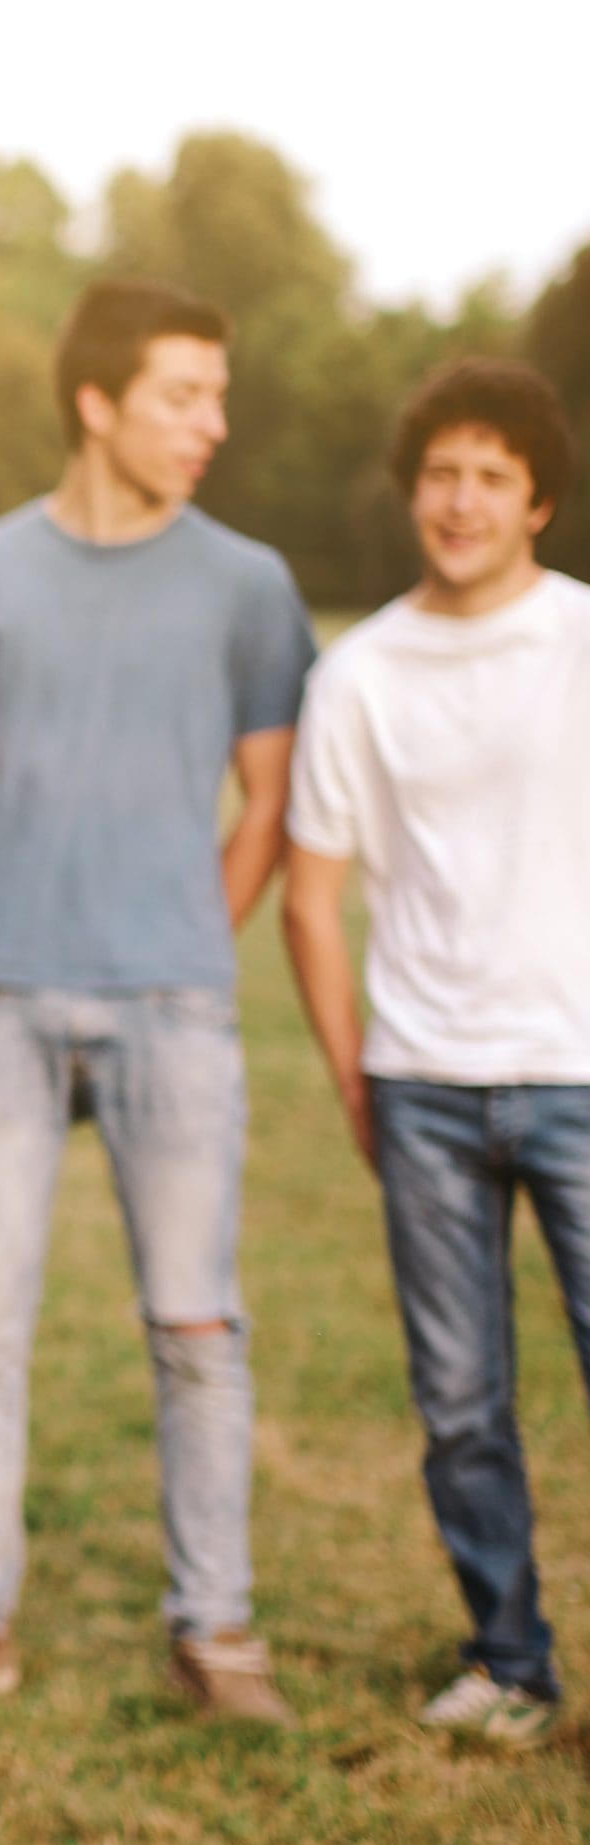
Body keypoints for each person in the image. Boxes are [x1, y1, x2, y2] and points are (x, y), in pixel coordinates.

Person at [0, 278, 316, 1722]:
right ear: (97, 402)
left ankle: (218, 1630)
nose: (214, 424)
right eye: (186, 395)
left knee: (199, 1330)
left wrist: (183, 930)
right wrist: (28, 913)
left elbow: (266, 799)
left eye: (218, 397)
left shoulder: (247, 583)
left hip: (176, 1009)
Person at [283, 360, 590, 1750]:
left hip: (578, 1071)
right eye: (441, 474)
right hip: (421, 1084)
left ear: (536, 499)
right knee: (461, 1401)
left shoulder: (581, 640)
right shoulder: (360, 671)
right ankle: (511, 1663)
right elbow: (311, 892)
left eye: (490, 476)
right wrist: (359, 1078)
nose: (460, 501)